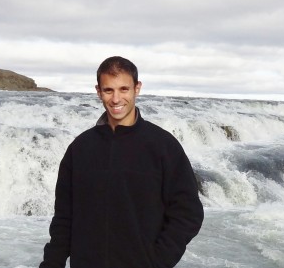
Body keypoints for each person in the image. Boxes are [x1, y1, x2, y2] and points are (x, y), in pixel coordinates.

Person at [40, 56, 204, 268]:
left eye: (124, 89)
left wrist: (157, 261)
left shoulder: (163, 146)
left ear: (137, 88)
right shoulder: (80, 149)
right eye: (108, 90)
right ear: (98, 91)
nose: (116, 99)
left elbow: (188, 213)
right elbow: (63, 218)